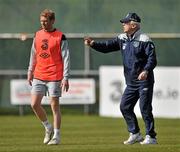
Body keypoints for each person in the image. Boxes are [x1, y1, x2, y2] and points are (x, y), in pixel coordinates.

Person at [84, 13, 157, 145]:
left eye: (126, 22)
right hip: (131, 82)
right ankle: (135, 133)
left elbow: (152, 59)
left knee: (145, 108)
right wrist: (93, 44)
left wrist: (146, 70)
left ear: (133, 25)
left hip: (144, 81)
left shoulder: (145, 39)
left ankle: (151, 137)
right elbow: (107, 47)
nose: (123, 24)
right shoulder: (122, 38)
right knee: (125, 106)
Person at [27, 9, 70, 145]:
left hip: (54, 75)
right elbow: (33, 54)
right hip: (39, 74)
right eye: (41, 21)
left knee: (54, 106)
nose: (43, 24)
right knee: (34, 104)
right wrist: (30, 71)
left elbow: (66, 58)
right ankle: (48, 127)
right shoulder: (37, 35)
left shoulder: (60, 36)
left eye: (45, 21)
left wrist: (65, 77)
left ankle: (56, 136)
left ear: (52, 21)